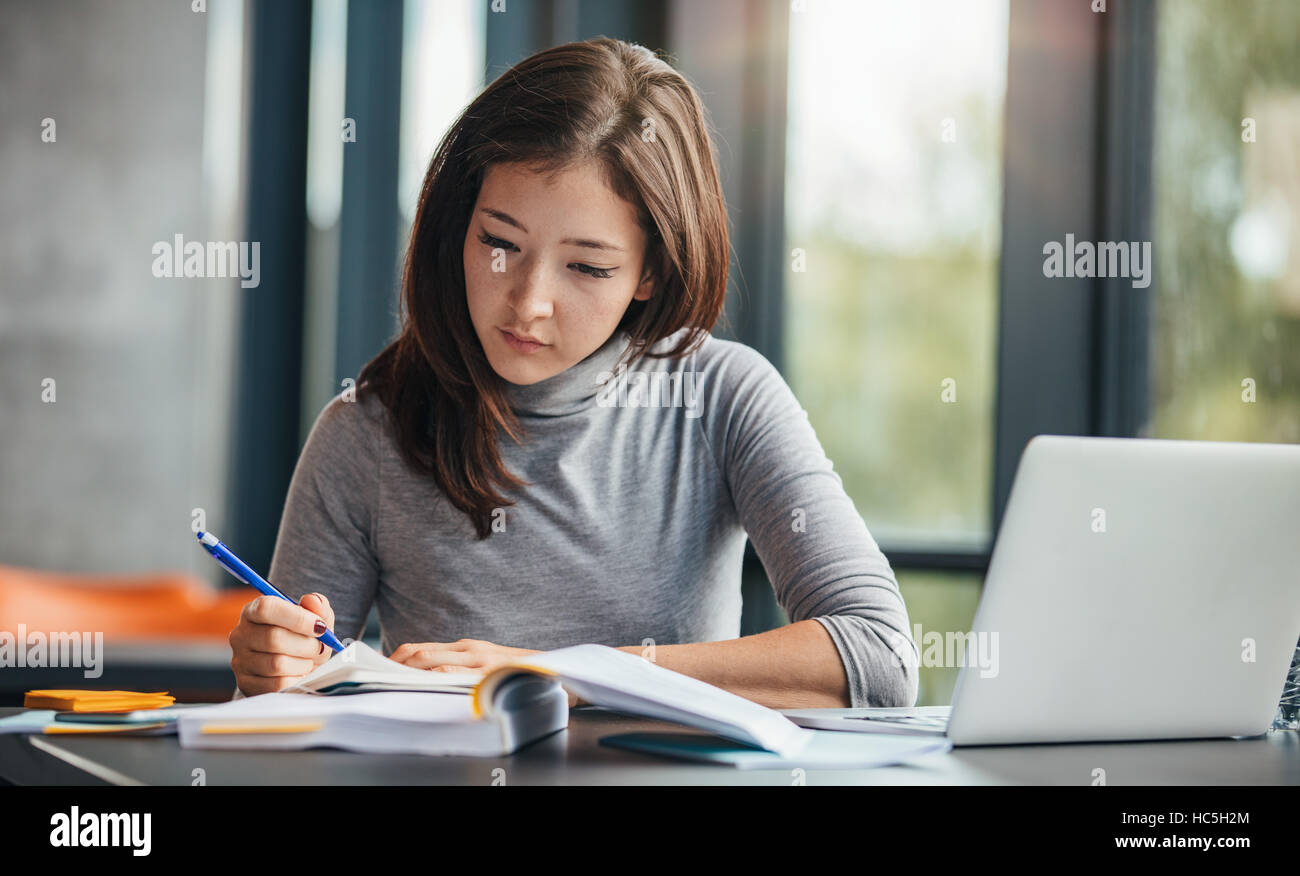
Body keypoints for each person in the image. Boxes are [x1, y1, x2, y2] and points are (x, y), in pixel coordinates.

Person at [228, 37, 919, 709]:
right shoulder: (367, 432)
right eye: (499, 243)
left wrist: (568, 675)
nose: (528, 304)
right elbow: (281, 720)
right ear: (458, 224)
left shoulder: (722, 397)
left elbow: (879, 656)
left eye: (587, 267)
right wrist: (272, 675)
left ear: (651, 271)